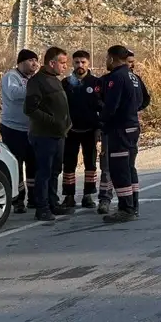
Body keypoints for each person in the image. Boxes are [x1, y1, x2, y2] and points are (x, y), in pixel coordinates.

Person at [23, 46, 73, 221]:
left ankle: (53, 203)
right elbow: (30, 109)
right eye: (62, 63)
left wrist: (65, 124)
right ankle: (42, 207)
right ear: (51, 63)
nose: (65, 66)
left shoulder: (55, 79)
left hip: (59, 134)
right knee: (44, 172)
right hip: (44, 135)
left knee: (54, 171)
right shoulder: (37, 81)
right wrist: (53, 121)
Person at [100, 45, 145, 223]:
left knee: (120, 169)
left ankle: (126, 209)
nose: (106, 61)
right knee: (129, 167)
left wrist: (101, 121)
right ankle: (133, 205)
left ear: (111, 58)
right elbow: (143, 100)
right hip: (132, 126)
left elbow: (111, 106)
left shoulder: (116, 77)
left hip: (119, 129)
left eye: (106, 58)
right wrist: (131, 111)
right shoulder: (134, 77)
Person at [0, 49, 39, 213]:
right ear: (21, 62)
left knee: (33, 164)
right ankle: (18, 199)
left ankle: (34, 198)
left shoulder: (34, 79)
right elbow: (14, 94)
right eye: (30, 60)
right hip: (13, 128)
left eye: (36, 61)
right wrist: (36, 90)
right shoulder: (11, 77)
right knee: (16, 164)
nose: (34, 64)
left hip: (31, 129)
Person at [62, 50, 102, 209]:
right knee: (69, 164)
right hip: (70, 131)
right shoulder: (65, 83)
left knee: (90, 163)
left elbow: (102, 107)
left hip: (90, 130)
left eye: (83, 62)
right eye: (77, 62)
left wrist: (99, 128)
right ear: (72, 63)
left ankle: (88, 195)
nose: (80, 65)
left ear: (88, 63)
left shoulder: (96, 83)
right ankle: (69, 196)